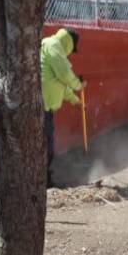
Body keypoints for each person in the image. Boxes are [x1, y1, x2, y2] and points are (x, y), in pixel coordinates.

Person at [40, 27, 83, 186]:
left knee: (46, 145)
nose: (71, 53)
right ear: (69, 43)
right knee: (45, 146)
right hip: (41, 107)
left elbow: (60, 83)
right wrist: (79, 85)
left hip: (45, 107)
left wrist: (75, 101)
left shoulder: (52, 47)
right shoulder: (53, 46)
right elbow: (65, 75)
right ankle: (43, 181)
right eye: (72, 49)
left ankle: (44, 178)